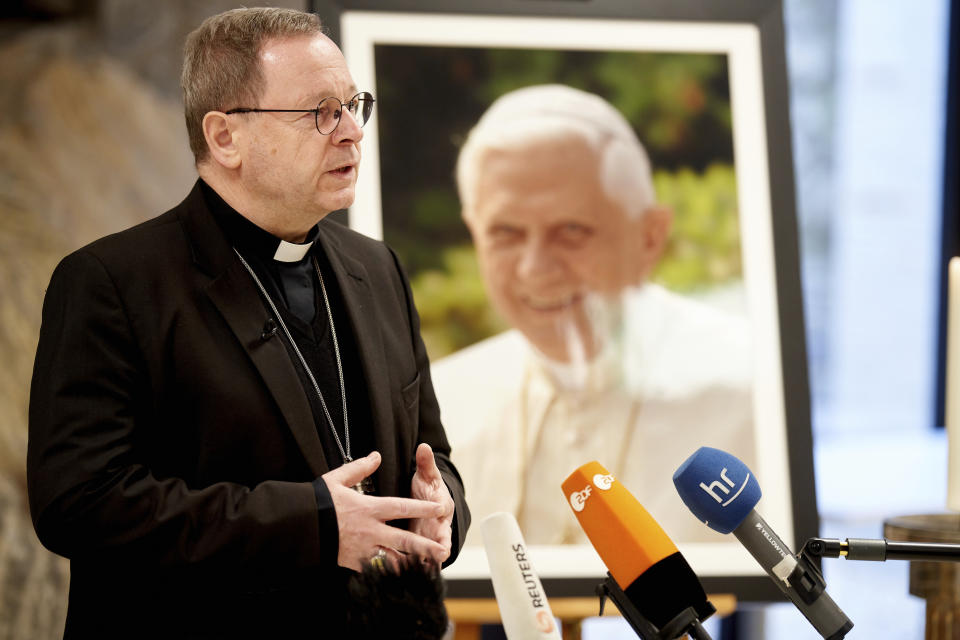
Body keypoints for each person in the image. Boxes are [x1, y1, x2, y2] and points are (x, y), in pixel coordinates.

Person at [27, 8, 469, 639]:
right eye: (320, 111)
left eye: (354, 104)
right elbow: (79, 503)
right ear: (225, 136)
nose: (351, 131)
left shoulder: (378, 268)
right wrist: (309, 521)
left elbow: (434, 452)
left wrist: (440, 508)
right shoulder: (112, 283)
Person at [431, 84, 753, 546]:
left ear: (649, 237)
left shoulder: (748, 388)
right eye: (504, 232)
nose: (535, 268)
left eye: (572, 231)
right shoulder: (441, 402)